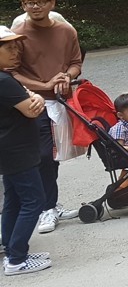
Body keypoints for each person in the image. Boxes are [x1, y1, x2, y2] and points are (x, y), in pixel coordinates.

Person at [10, 0, 83, 235]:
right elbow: (12, 72)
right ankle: (45, 208)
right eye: (29, 3)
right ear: (23, 5)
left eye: (41, 2)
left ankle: (50, 204)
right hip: (32, 102)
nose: (35, 7)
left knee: (52, 157)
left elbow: (76, 62)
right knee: (41, 155)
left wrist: (66, 76)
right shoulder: (18, 33)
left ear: (52, 3)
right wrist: (43, 83)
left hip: (61, 102)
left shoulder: (66, 31)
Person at [0, 26, 51, 276]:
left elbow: (30, 99)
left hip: (9, 152)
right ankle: (17, 259)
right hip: (17, 152)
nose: (15, 51)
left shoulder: (6, 78)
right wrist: (38, 100)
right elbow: (32, 109)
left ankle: (10, 249)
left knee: (14, 200)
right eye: (8, 47)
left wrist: (34, 97)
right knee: (34, 201)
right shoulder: (4, 81)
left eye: (16, 45)